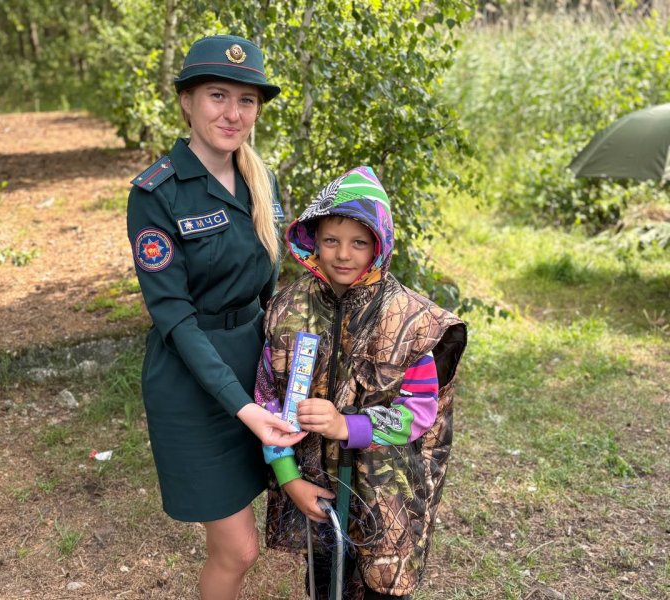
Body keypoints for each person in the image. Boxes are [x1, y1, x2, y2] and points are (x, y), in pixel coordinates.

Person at [126, 35, 304, 600]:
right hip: (193, 382)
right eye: (217, 96)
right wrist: (244, 407)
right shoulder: (157, 193)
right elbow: (174, 319)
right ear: (186, 101)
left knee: (257, 529)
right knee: (238, 547)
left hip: (255, 367)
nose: (233, 114)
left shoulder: (260, 178)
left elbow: (268, 286)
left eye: (247, 100)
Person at [254, 166, 468, 599]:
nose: (343, 255)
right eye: (331, 240)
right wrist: (288, 476)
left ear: (381, 244)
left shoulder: (413, 322)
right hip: (315, 487)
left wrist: (345, 426)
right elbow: (267, 400)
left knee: (380, 589)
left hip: (386, 498)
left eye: (359, 242)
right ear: (312, 240)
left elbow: (420, 415)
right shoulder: (286, 310)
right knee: (324, 582)